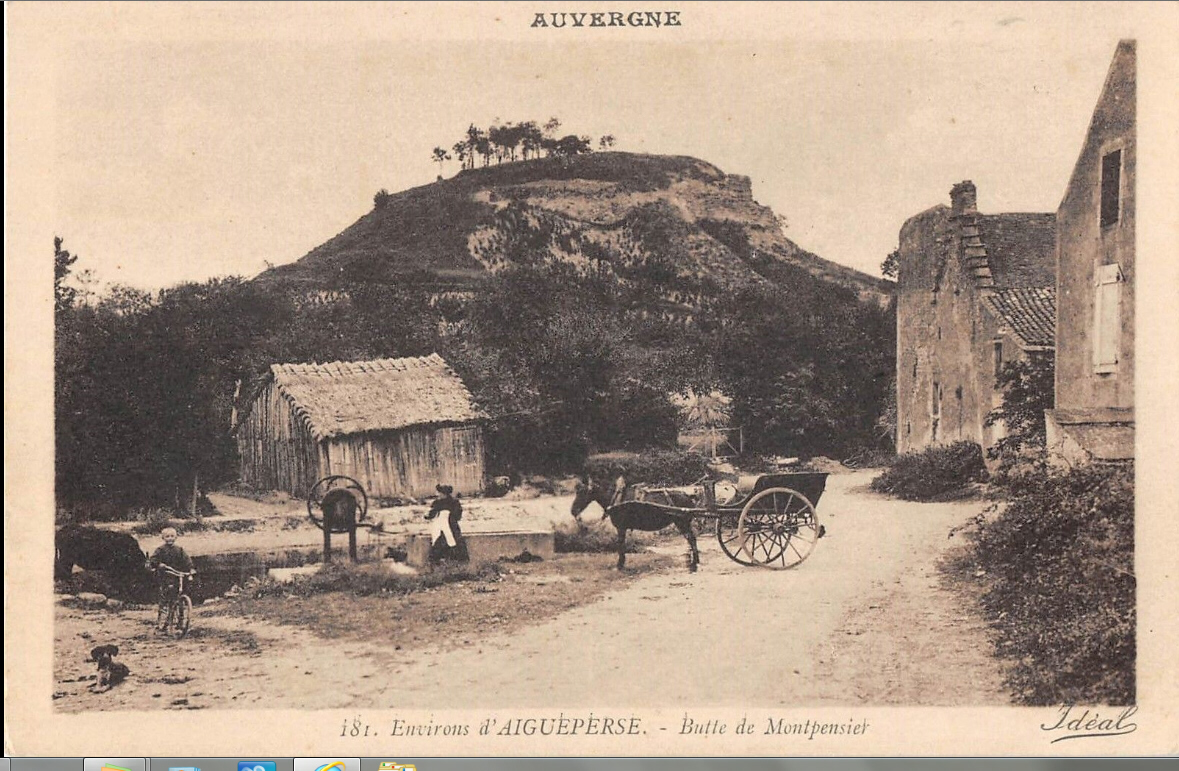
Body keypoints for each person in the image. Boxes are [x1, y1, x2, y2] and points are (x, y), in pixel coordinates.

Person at [149, 527, 194, 632]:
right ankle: (163, 619)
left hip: (177, 574)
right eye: (167, 536)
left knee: (180, 595)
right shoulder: (160, 550)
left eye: (172, 536)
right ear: (163, 538)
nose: (170, 538)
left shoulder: (179, 550)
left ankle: (180, 621)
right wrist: (159, 564)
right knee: (166, 596)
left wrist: (190, 568)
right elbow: (153, 559)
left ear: (176, 537)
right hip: (165, 575)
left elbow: (187, 560)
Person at [425, 484, 468, 564]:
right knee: (444, 540)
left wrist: (447, 516)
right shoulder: (438, 502)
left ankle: (455, 560)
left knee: (452, 540)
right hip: (441, 526)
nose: (437, 494)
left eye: (439, 492)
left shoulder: (453, 502)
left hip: (451, 526)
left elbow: (457, 515)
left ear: (444, 493)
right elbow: (430, 515)